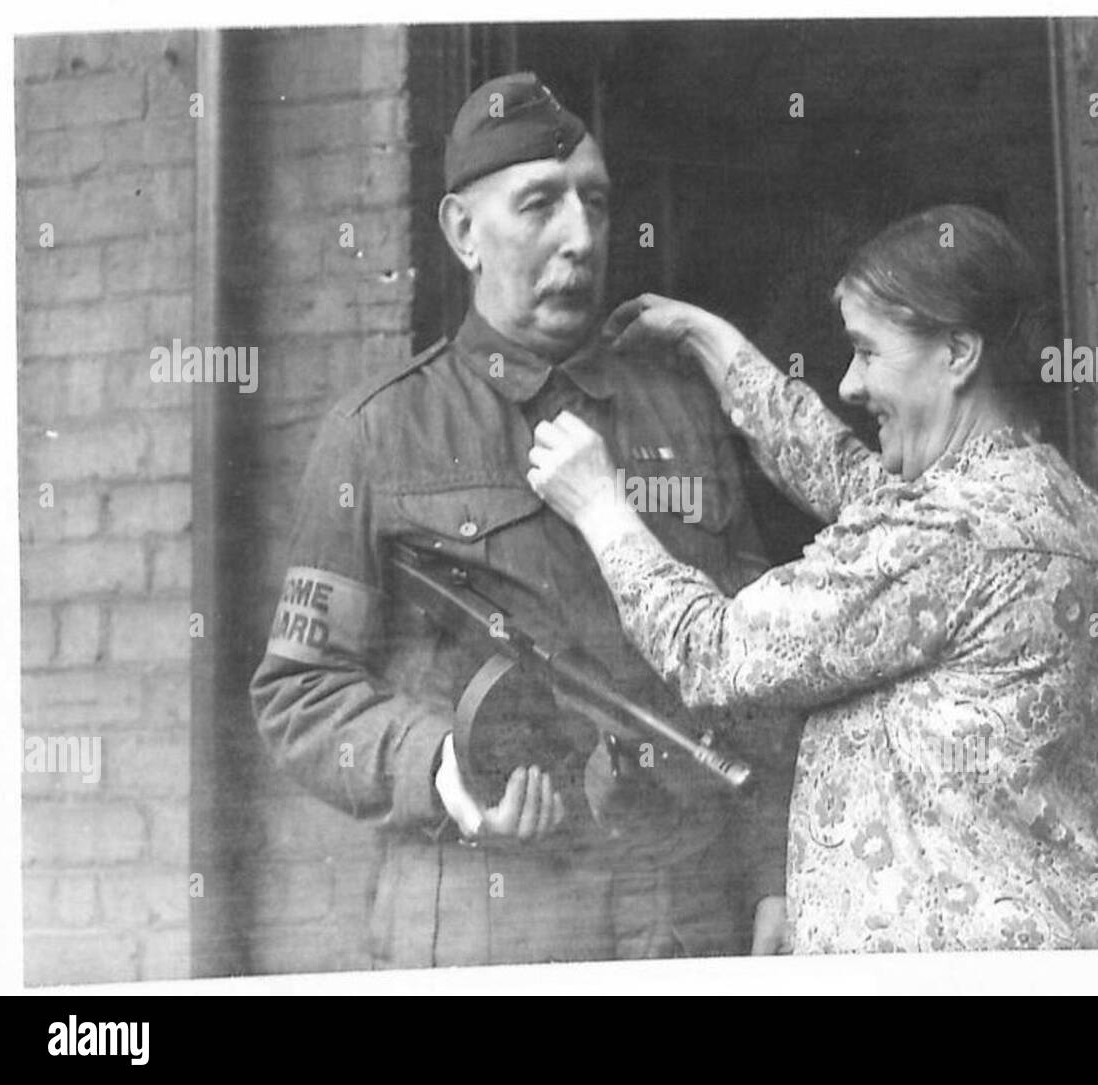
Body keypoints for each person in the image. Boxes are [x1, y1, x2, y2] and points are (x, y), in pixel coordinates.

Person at [528, 204, 1098, 953]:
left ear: (958, 353)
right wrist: (713, 343)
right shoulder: (1045, 494)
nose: (847, 382)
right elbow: (860, 483)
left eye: (867, 352)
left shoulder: (948, 534)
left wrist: (601, 506)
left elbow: (714, 651)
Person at [249, 72, 795, 966]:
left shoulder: (683, 413)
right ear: (463, 232)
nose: (580, 238)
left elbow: (761, 665)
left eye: (597, 203)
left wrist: (774, 872)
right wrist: (443, 769)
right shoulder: (379, 433)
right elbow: (298, 694)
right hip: (493, 918)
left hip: (682, 920)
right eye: (539, 204)